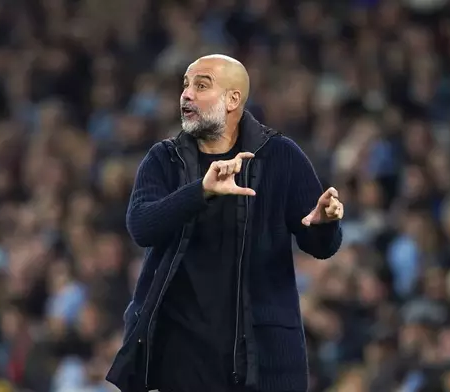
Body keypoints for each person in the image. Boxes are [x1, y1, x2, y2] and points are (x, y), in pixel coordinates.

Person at [106, 55, 344, 392]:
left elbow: (321, 248)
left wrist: (323, 224)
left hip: (264, 358)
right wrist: (200, 191)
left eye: (201, 85)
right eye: (186, 85)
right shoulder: (164, 159)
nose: (186, 94)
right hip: (182, 358)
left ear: (233, 99)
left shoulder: (281, 156)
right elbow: (142, 227)